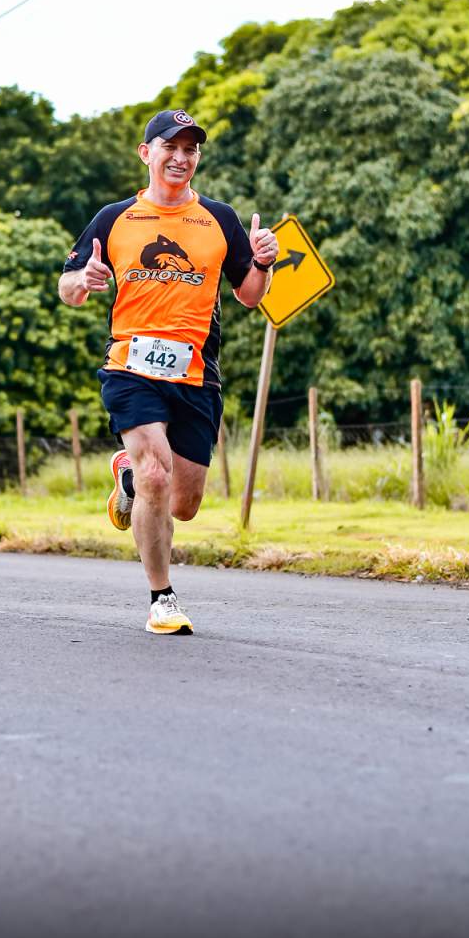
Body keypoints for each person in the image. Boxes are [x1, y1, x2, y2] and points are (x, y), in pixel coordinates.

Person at [58, 108, 278, 635]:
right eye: (170, 147)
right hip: (129, 367)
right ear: (146, 153)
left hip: (197, 374)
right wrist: (84, 280)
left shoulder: (219, 219)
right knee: (157, 474)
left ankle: (128, 476)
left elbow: (250, 296)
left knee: (183, 504)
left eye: (190, 149)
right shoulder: (114, 218)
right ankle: (162, 598)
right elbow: (67, 288)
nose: (181, 158)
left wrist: (263, 263)